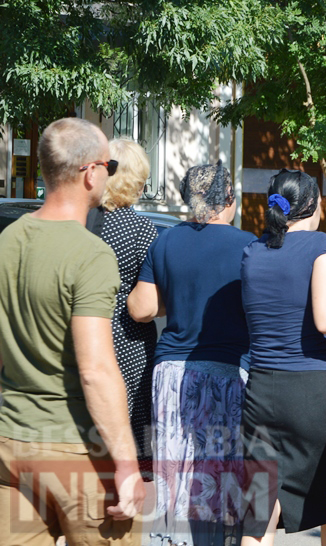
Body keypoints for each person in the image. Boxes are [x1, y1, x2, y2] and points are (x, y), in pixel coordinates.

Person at [0, 118, 145, 545]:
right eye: (109, 164)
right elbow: (96, 369)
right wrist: (127, 463)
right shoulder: (90, 254)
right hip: (77, 450)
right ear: (91, 172)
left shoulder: (7, 241)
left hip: (11, 444)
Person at [127, 163, 256, 545]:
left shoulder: (165, 241)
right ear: (229, 198)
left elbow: (142, 308)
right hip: (226, 373)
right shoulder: (249, 246)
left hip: (171, 373)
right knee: (218, 482)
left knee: (172, 480)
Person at [239, 170, 326, 546]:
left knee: (259, 511)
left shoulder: (253, 251)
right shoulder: (321, 245)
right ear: (315, 205)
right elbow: (325, 320)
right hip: (311, 392)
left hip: (260, 391)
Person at [95, 139, 160, 476]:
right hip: (130, 342)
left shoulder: (85, 222)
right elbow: (148, 305)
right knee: (131, 428)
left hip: (87, 335)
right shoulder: (140, 229)